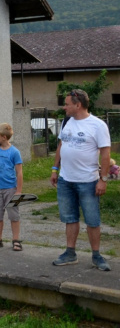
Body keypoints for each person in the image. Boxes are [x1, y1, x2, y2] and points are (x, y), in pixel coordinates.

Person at [50, 89, 111, 271]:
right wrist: (55, 169)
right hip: (65, 180)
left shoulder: (98, 125)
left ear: (78, 105)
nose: (64, 107)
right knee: (70, 218)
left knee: (92, 220)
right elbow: (61, 145)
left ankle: (96, 256)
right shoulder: (67, 122)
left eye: (67, 104)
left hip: (88, 181)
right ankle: (70, 253)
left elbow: (106, 154)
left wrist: (103, 179)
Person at [0, 123, 24, 251]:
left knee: (14, 215)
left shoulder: (14, 152)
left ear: (4, 137)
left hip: (10, 188)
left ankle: (16, 240)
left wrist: (18, 190)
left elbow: (19, 172)